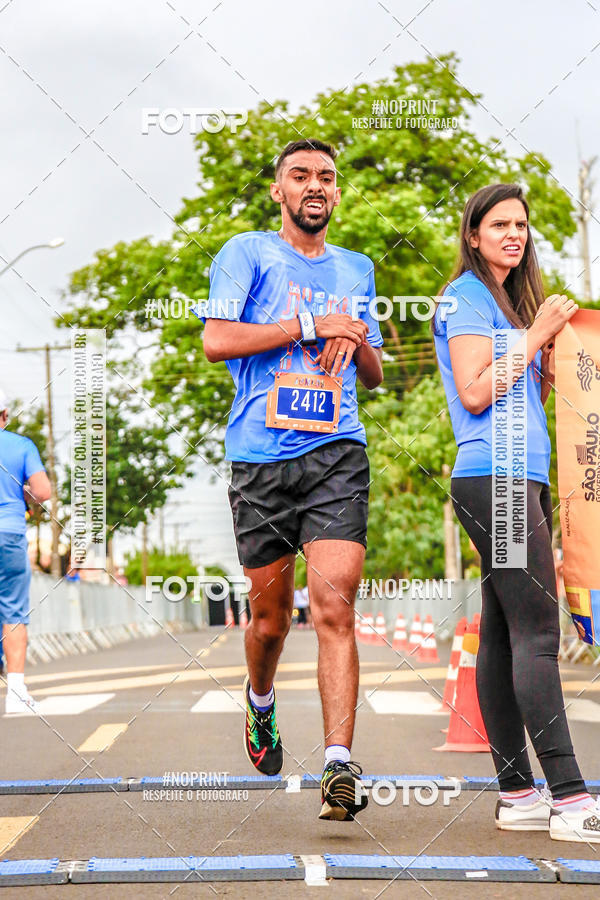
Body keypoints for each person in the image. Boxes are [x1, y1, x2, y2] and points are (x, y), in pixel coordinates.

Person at [200, 138, 384, 821]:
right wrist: (310, 322)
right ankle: (261, 700)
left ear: (336, 194)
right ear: (279, 190)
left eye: (327, 178)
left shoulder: (357, 267)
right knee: (272, 620)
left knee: (334, 607)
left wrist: (358, 337)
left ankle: (339, 766)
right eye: (300, 175)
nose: (315, 185)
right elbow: (217, 340)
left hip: (337, 451)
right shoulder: (246, 253)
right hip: (261, 459)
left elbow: (376, 373)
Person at [433, 183, 599, 843]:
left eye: (521, 225)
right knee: (537, 632)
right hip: (496, 478)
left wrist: (543, 360)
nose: (513, 234)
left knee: (504, 635)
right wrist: (535, 336)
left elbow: (509, 379)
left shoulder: (504, 302)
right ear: (473, 235)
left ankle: (518, 794)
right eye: (499, 224)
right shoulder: (467, 297)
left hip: (513, 477)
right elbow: (474, 393)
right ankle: (568, 799)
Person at [0, 388, 51, 714]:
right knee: (13, 610)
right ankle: (17, 691)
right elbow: (43, 491)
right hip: (9, 533)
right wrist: (24, 497)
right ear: (3, 416)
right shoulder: (20, 445)